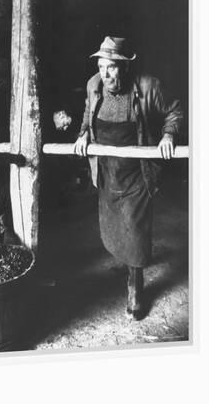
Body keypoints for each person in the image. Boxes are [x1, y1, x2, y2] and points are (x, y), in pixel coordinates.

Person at [55, 36, 183, 320]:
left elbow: (174, 111)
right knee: (115, 224)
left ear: (125, 67)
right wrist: (83, 133)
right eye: (101, 66)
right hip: (107, 171)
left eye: (111, 67)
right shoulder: (93, 85)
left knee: (134, 229)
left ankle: (135, 285)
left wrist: (168, 134)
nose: (105, 73)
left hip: (138, 172)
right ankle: (126, 264)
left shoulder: (149, 87)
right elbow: (89, 114)